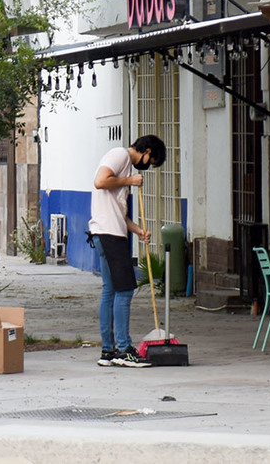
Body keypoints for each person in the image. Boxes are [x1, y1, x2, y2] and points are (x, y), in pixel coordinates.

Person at [88, 134, 166, 369]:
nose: (145, 167)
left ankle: (108, 351)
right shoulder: (120, 155)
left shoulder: (122, 165)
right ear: (148, 152)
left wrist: (137, 230)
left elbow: (118, 213)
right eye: (150, 163)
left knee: (110, 291)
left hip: (107, 232)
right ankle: (123, 349)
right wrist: (130, 180)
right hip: (110, 235)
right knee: (125, 290)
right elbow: (100, 181)